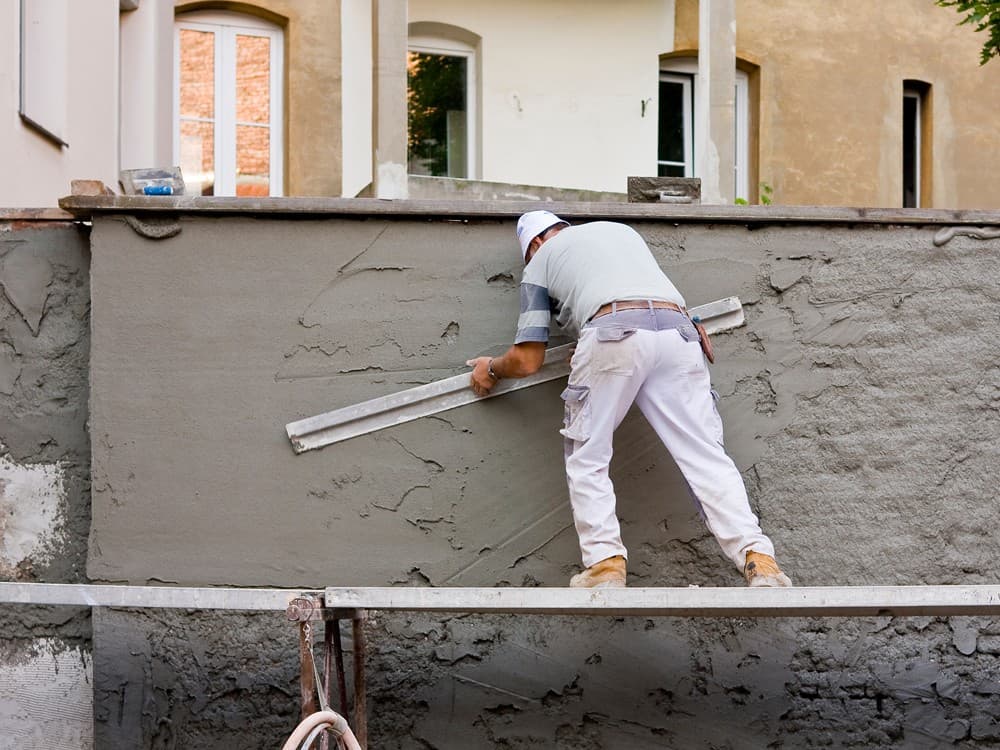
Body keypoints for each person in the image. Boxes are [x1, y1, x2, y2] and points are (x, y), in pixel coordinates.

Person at [467, 210, 792, 589]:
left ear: (535, 244)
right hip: (679, 333)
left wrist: (490, 369)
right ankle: (760, 561)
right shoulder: (620, 233)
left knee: (588, 453)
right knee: (706, 454)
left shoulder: (541, 260)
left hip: (612, 332)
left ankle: (605, 566)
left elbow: (527, 360)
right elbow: (642, 300)